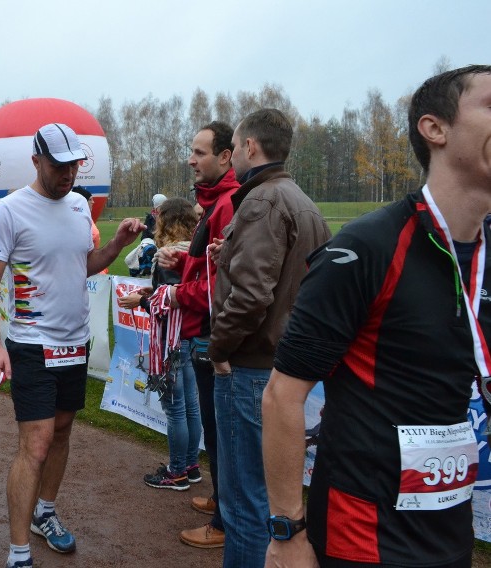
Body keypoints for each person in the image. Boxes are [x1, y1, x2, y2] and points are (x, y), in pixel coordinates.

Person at [262, 65, 491, 568]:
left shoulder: (485, 253)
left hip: (450, 531)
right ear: (436, 128)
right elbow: (282, 396)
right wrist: (286, 534)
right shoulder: (366, 248)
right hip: (361, 536)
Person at [0, 122, 144, 568]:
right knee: (35, 444)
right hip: (31, 344)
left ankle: (44, 513)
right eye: (59, 165)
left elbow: (81, 265)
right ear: (36, 162)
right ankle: (17, 554)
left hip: (75, 343)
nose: (69, 173)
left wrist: (116, 245)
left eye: (74, 165)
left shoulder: (77, 207)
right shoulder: (10, 210)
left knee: (64, 431)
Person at [207, 109, 331, 567]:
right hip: (283, 368)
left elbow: (253, 296)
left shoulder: (262, 201)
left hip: (251, 369)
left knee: (243, 503)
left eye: (235, 147)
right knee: (266, 498)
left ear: (251, 148)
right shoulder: (298, 198)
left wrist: (219, 349)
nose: (233, 155)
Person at [158, 121, 240, 548]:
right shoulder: (213, 203)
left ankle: (226, 521)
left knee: (221, 428)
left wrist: (175, 292)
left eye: (200, 152)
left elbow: (220, 286)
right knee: (210, 422)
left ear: (226, 156)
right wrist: (183, 265)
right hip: (207, 332)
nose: (191, 159)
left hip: (214, 335)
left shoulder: (227, 204)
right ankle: (222, 498)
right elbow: (209, 269)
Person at [118, 198, 201, 492]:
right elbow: (177, 291)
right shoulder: (194, 251)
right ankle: (190, 465)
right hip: (190, 338)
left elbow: (168, 303)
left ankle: (177, 471)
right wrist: (152, 290)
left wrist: (141, 299)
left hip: (171, 342)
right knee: (190, 406)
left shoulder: (167, 254)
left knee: (175, 407)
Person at [72, 185, 107, 275]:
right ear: (82, 201)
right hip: (85, 272)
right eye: (90, 199)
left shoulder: (86, 218)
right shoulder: (77, 222)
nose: (93, 202)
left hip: (92, 270)